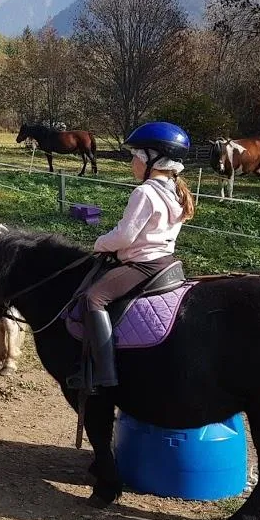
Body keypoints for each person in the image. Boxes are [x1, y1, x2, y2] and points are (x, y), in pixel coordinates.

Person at [76, 121, 194, 392]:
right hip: (166, 261)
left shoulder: (145, 192)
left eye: (135, 156)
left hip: (144, 264)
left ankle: (104, 374)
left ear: (152, 160)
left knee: (93, 297)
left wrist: (99, 243)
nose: (133, 163)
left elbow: (124, 237)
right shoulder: (175, 190)